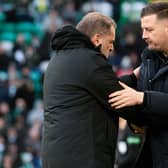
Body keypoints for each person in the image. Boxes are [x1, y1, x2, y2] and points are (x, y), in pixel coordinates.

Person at [41, 12, 143, 168]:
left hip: (57, 156)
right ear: (97, 40)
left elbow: (99, 87)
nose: (112, 48)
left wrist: (133, 78)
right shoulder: (91, 60)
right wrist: (143, 117)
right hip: (82, 158)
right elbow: (118, 97)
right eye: (110, 41)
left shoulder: (59, 58)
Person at [109, 2, 168, 168]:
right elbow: (135, 86)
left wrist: (142, 98)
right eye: (143, 29)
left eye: (149, 29)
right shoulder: (149, 57)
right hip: (151, 153)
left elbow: (141, 97)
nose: (143, 35)